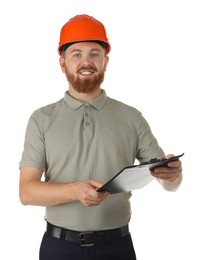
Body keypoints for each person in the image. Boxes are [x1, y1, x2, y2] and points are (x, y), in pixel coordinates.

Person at [19, 14, 183, 260]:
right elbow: (27, 192)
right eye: (77, 54)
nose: (87, 62)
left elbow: (168, 182)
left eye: (94, 53)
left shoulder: (132, 117)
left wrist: (173, 176)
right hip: (59, 248)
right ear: (62, 63)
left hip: (117, 247)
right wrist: (75, 191)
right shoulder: (41, 119)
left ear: (106, 61)